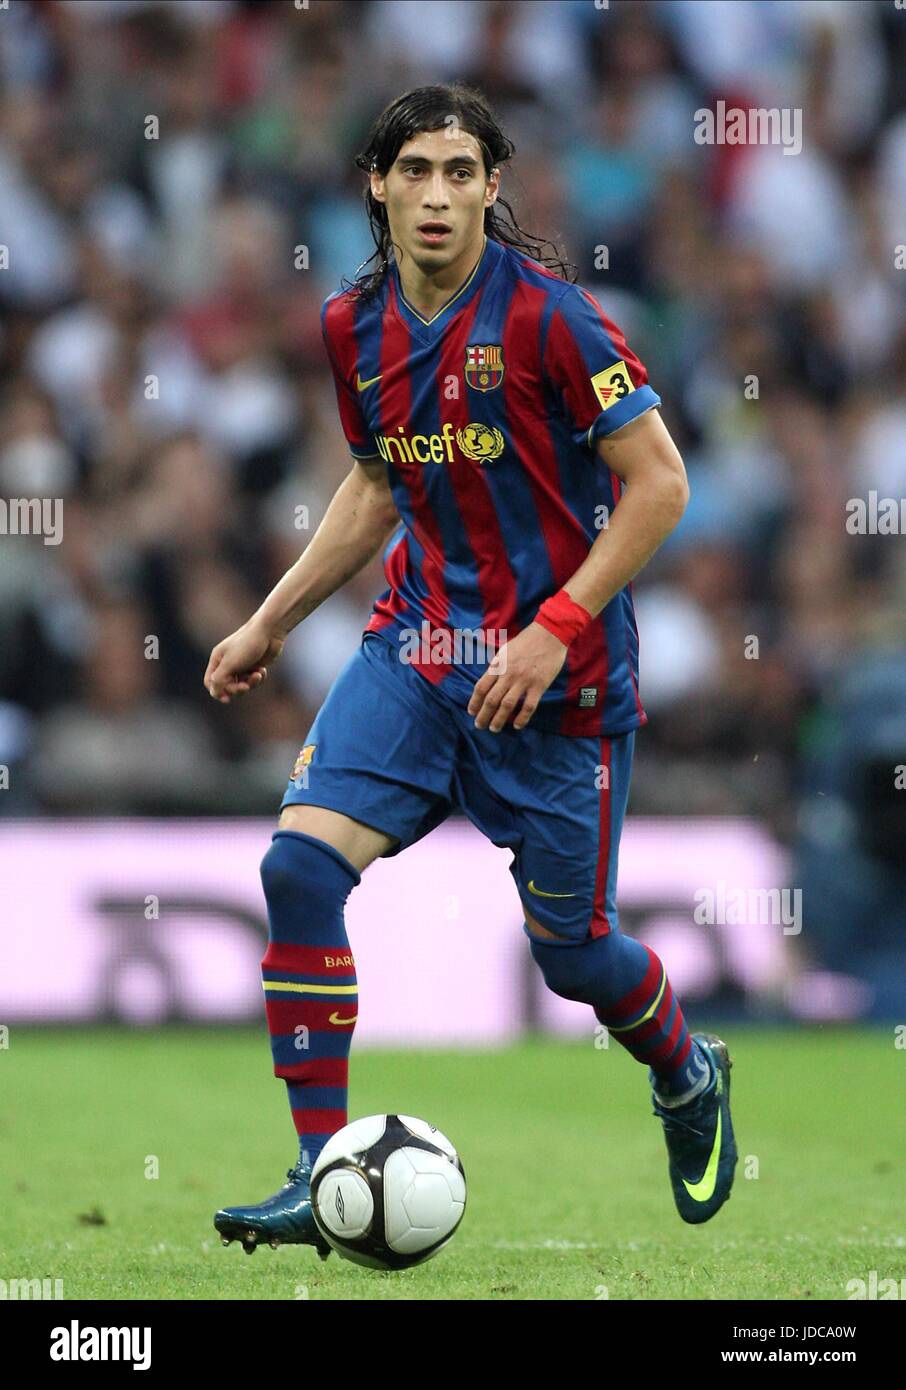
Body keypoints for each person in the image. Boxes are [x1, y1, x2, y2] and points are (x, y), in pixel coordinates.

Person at [204, 84, 736, 1258]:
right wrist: (272, 622)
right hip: (417, 653)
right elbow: (377, 485)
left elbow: (661, 484)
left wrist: (554, 623)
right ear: (377, 188)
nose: (436, 196)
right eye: (415, 172)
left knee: (576, 957)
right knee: (297, 868)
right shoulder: (352, 328)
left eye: (460, 172)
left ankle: (690, 1070)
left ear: (495, 187)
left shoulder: (556, 320)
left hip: (560, 683)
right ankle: (316, 1166)